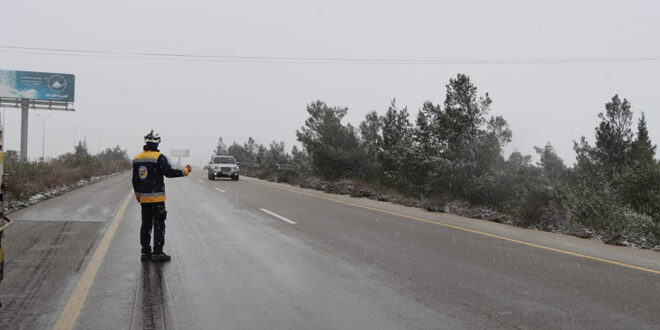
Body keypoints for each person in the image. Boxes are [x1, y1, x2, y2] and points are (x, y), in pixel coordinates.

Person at [132, 130, 191, 262]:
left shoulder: (137, 159)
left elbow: (135, 180)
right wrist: (185, 171)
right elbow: (169, 172)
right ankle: (157, 253)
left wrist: (138, 195)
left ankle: (145, 252)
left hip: (144, 199)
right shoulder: (159, 157)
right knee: (159, 224)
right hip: (157, 199)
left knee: (145, 225)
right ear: (158, 143)